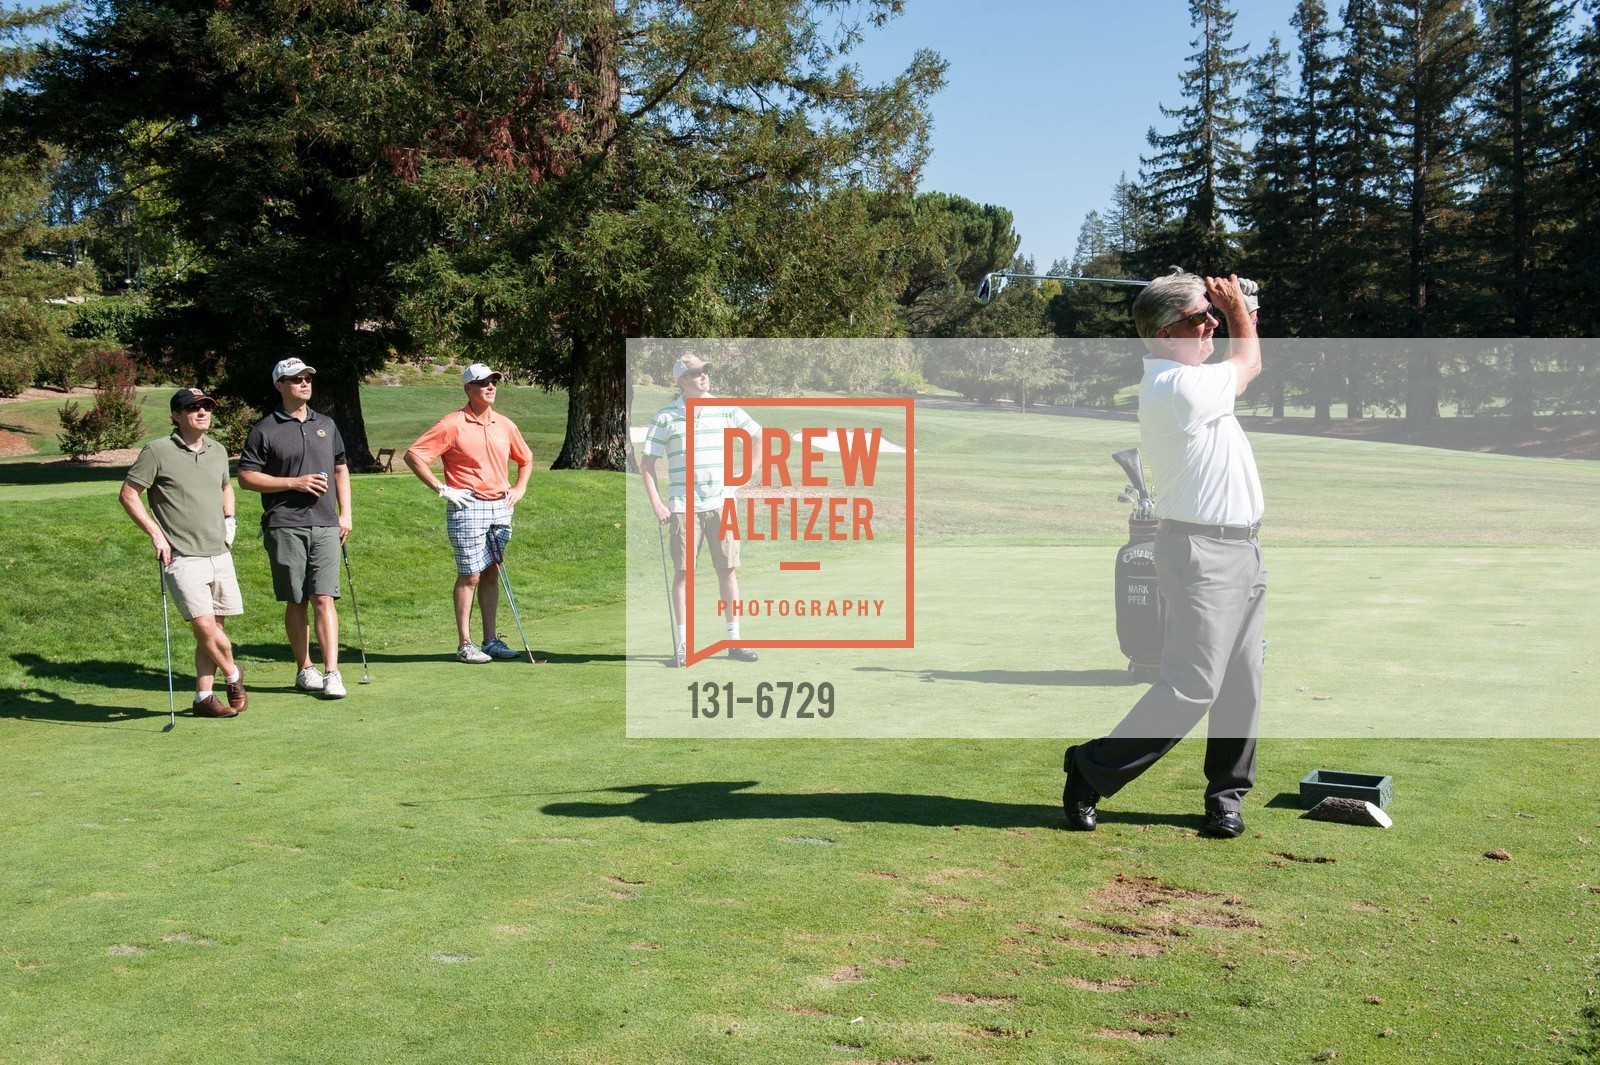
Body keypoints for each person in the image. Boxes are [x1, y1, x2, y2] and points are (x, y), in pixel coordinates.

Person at [1063, 270, 1265, 839]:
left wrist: (1241, 307)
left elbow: (1241, 352)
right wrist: (1237, 310)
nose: (1210, 326)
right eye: (1199, 318)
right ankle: (1092, 767)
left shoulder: (1194, 377)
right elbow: (1249, 365)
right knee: (1195, 683)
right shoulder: (1174, 387)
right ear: (1160, 332)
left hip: (1243, 548)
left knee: (1242, 680)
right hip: (1203, 552)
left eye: (1211, 317)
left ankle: (1226, 795)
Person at [119, 388, 249, 718]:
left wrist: (229, 520)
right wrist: (156, 536)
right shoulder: (158, 451)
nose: (202, 412)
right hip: (181, 555)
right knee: (205, 629)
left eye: (206, 406)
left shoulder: (217, 450)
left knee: (215, 628)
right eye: (193, 408)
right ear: (177, 415)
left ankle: (203, 697)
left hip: (218, 553)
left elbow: (225, 485)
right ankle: (233, 674)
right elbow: (129, 494)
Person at [237, 358, 353, 699]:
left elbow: (340, 468)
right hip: (285, 524)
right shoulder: (264, 429)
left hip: (326, 523)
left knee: (324, 597)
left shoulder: (327, 424)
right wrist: (293, 483)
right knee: (297, 599)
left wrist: (345, 513)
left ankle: (332, 672)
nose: (304, 383)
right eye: (295, 379)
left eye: (307, 378)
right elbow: (246, 477)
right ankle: (305, 668)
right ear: (280, 385)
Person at [403, 363, 534, 663]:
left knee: (491, 572)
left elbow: (525, 458)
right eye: (483, 383)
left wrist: (520, 488)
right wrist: (441, 487)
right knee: (470, 574)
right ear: (468, 389)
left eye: (493, 382)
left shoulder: (505, 424)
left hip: (500, 506)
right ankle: (465, 643)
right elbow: (414, 455)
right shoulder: (452, 424)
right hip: (468, 504)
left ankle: (490, 641)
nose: (490, 387)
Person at [640, 354, 761, 668]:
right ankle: (683, 646)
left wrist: (744, 477)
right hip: (682, 508)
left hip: (722, 503)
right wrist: (656, 502)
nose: (703, 377)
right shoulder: (666, 416)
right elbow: (648, 463)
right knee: (683, 574)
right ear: (681, 381)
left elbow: (758, 435)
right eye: (695, 374)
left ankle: (735, 642)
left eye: (705, 371)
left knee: (728, 570)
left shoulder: (725, 407)